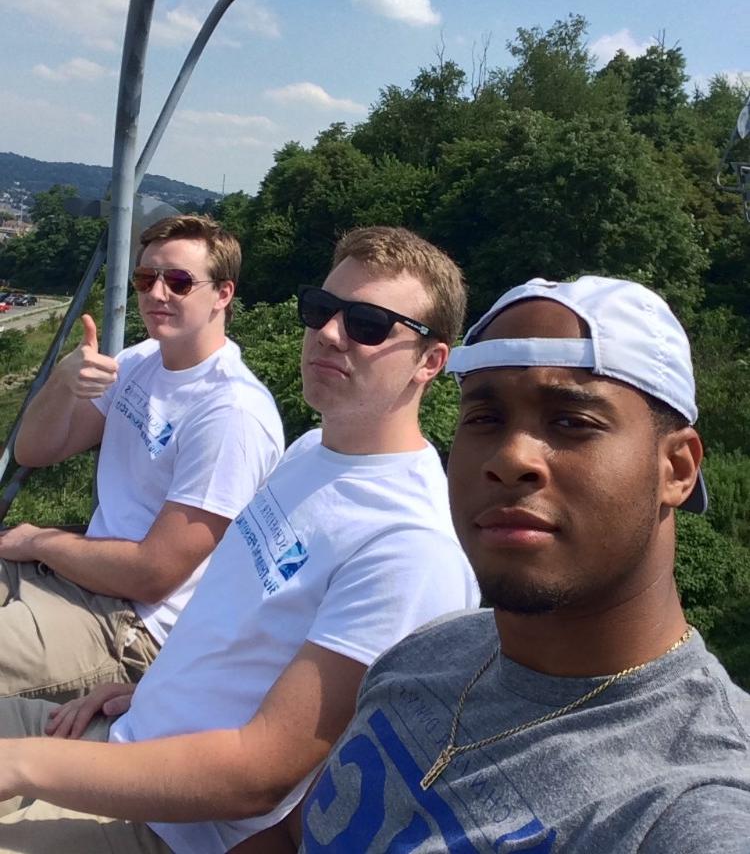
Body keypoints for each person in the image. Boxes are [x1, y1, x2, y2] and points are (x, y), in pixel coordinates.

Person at [0, 225, 478, 853]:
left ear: (431, 360)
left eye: (368, 324)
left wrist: (22, 766)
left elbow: (260, 778)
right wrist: (152, 688)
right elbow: (242, 628)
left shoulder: (410, 547)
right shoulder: (313, 451)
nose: (330, 333)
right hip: (127, 734)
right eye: (321, 310)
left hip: (165, 824)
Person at [299, 274, 750, 853]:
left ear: (677, 469)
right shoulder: (429, 652)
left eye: (571, 422)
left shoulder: (692, 804)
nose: (511, 459)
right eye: (485, 419)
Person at [0, 214, 284, 701]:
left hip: (132, 629)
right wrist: (64, 381)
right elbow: (35, 450)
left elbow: (153, 575)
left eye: (178, 282)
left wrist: (40, 541)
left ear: (223, 294)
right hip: (80, 578)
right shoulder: (140, 362)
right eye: (145, 278)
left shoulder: (230, 414)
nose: (157, 294)